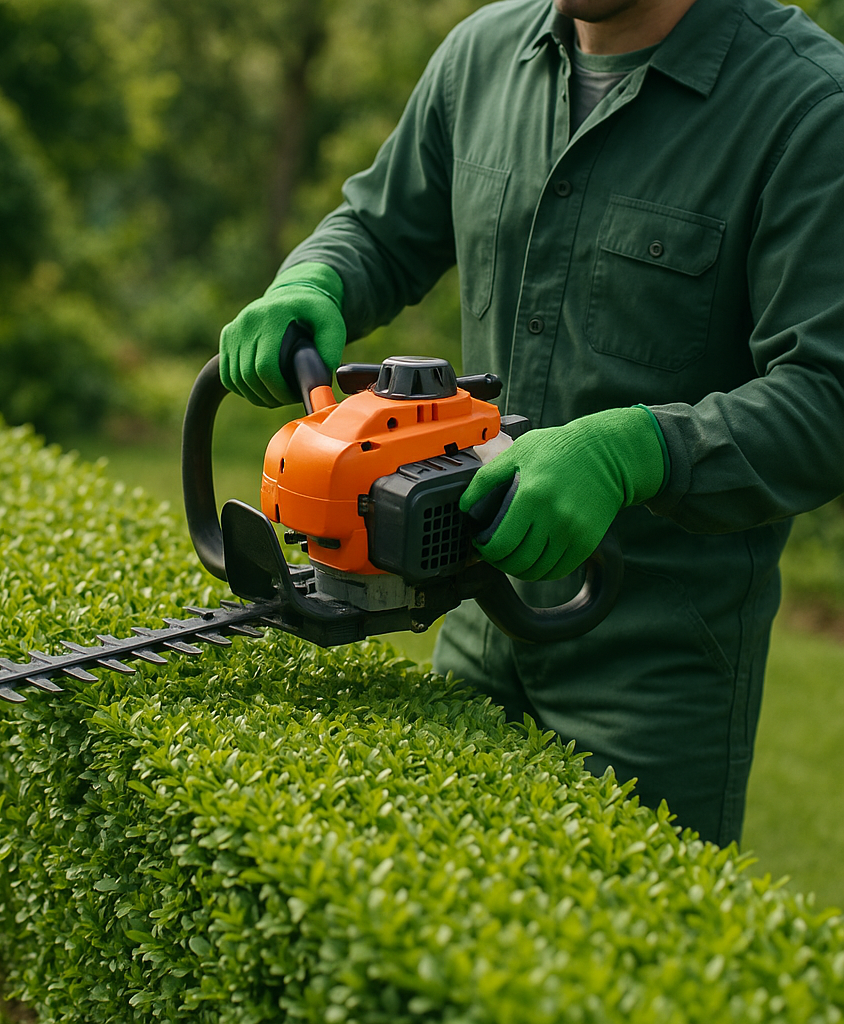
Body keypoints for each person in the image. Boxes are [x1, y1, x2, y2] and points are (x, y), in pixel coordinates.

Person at [217, 0, 844, 846]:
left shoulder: (808, 108)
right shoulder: (481, 57)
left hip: (656, 668)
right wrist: (316, 278)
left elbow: (827, 394)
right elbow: (380, 231)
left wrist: (636, 451)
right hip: (471, 610)